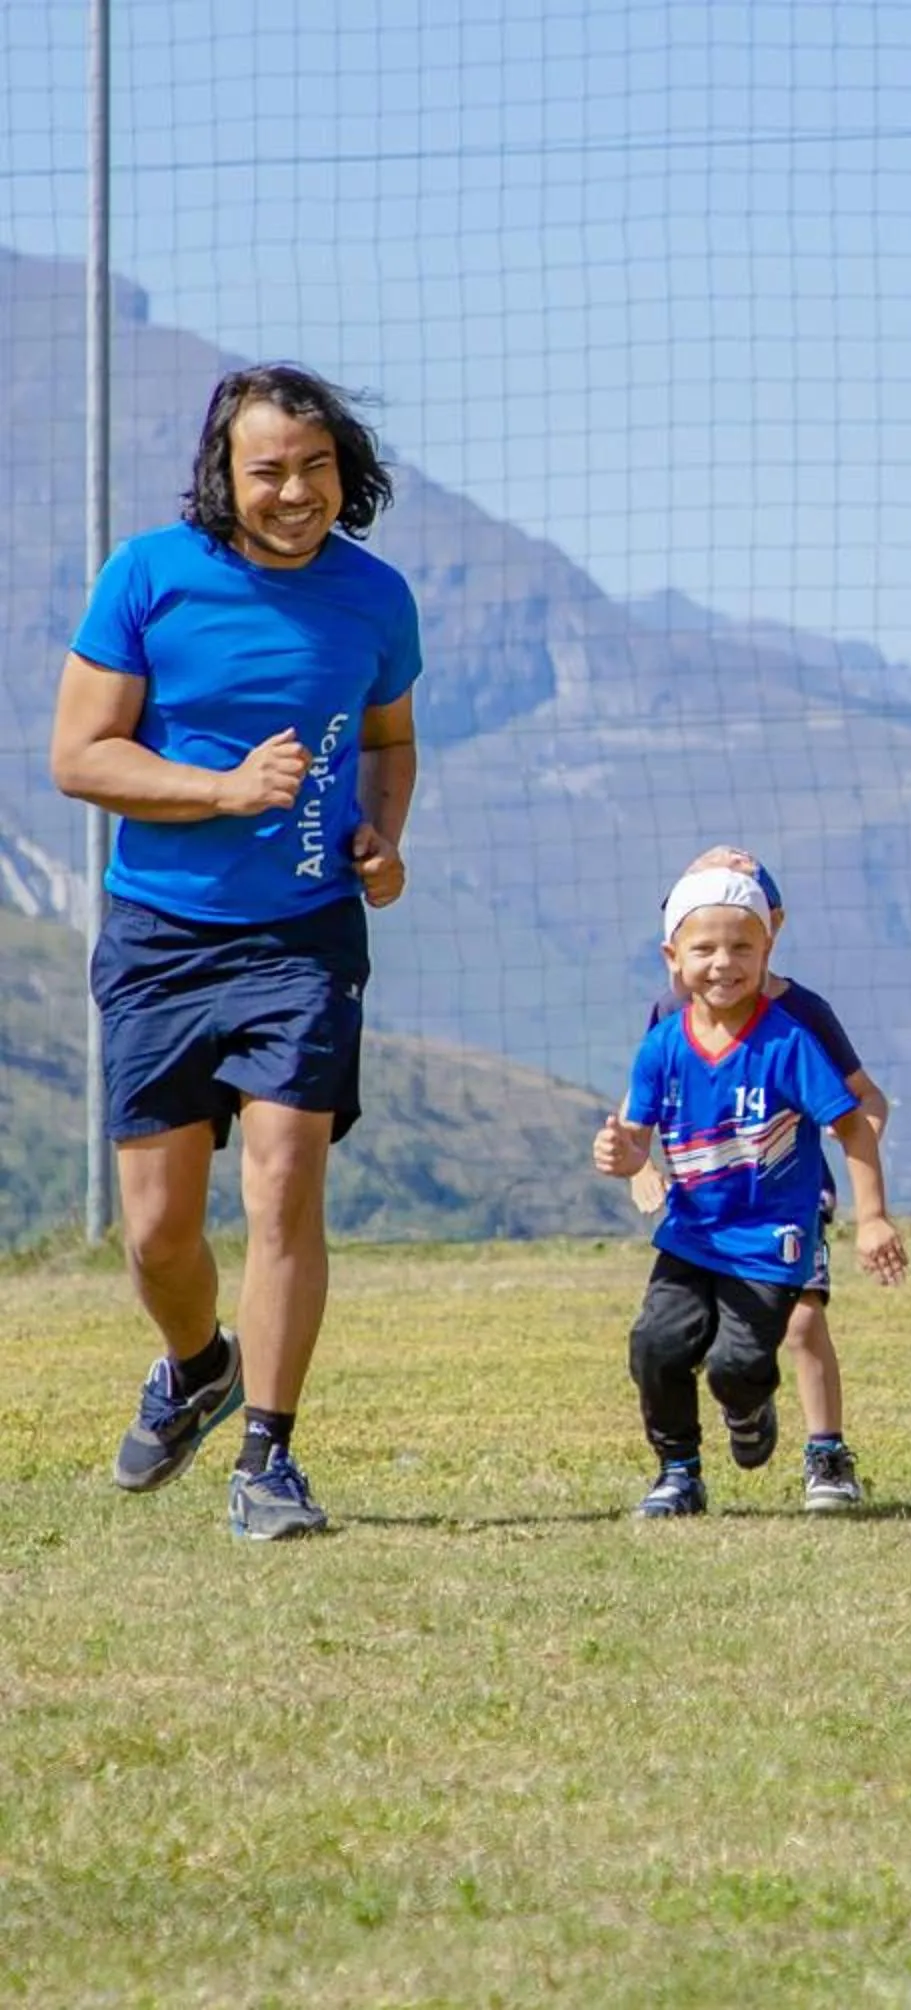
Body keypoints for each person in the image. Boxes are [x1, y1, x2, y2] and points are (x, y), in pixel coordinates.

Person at [48, 364, 424, 1540]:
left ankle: (268, 1458)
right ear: (225, 474)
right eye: (268, 471)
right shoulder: (149, 577)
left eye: (316, 467)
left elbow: (391, 737)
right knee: (160, 1236)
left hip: (304, 940)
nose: (295, 492)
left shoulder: (375, 598)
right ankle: (196, 1363)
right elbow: (80, 759)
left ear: (345, 471)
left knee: (282, 1187)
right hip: (160, 936)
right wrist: (220, 790)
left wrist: (381, 836)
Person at [591, 867, 907, 1516]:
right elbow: (635, 1134)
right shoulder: (661, 1046)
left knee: (738, 1363)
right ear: (672, 959)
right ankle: (678, 1471)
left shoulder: (789, 1041)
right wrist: (623, 1155)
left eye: (742, 948)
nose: (723, 964)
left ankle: (750, 1405)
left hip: (770, 1242)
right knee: (655, 1344)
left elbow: (851, 1126)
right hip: (692, 1234)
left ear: (767, 953)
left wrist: (872, 1218)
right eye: (704, 949)